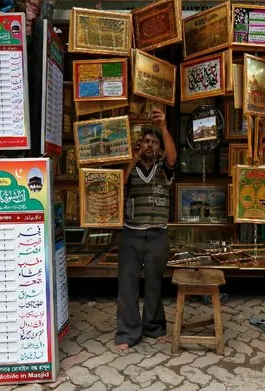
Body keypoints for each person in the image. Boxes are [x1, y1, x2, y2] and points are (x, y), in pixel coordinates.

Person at [116, 108, 177, 352]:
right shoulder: (130, 169)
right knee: (128, 285)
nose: (150, 146)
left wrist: (163, 127)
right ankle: (128, 333)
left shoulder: (165, 168)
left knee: (154, 284)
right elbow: (117, 186)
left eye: (155, 143)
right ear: (139, 146)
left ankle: (154, 326)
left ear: (160, 149)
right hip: (131, 233)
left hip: (157, 236)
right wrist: (131, 159)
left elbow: (173, 157)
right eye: (146, 142)